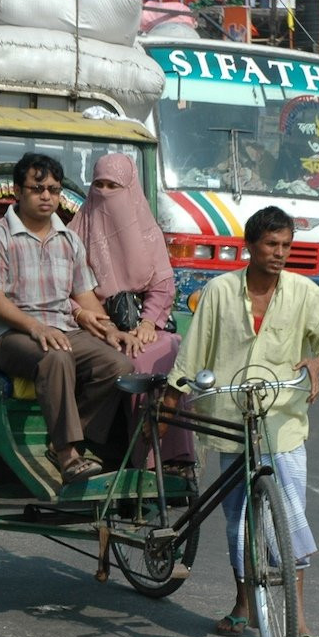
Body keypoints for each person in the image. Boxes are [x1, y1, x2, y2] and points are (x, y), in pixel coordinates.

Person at [165, 206, 319, 637]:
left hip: (282, 422)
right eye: (272, 244)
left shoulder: (304, 292)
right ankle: (244, 602)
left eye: (286, 245)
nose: (280, 253)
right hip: (231, 418)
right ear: (251, 246)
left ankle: (299, 623)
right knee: (238, 521)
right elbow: (194, 352)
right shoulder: (220, 291)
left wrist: (317, 363)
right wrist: (173, 396)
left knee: (289, 520)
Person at [0, 152, 133, 484]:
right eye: (37, 188)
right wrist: (35, 327)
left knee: (119, 365)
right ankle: (66, 454)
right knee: (57, 357)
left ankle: (78, 438)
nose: (47, 196)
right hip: (11, 335)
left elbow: (84, 295)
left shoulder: (69, 240)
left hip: (63, 328)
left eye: (53, 189)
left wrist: (110, 330)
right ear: (18, 191)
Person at [71, 153, 194, 469]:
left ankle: (173, 454)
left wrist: (148, 323)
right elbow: (63, 290)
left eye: (114, 185)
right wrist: (93, 319)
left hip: (140, 324)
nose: (105, 192)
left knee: (172, 352)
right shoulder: (75, 230)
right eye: (99, 185)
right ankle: (144, 459)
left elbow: (162, 285)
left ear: (130, 189)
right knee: (135, 361)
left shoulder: (148, 231)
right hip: (95, 326)